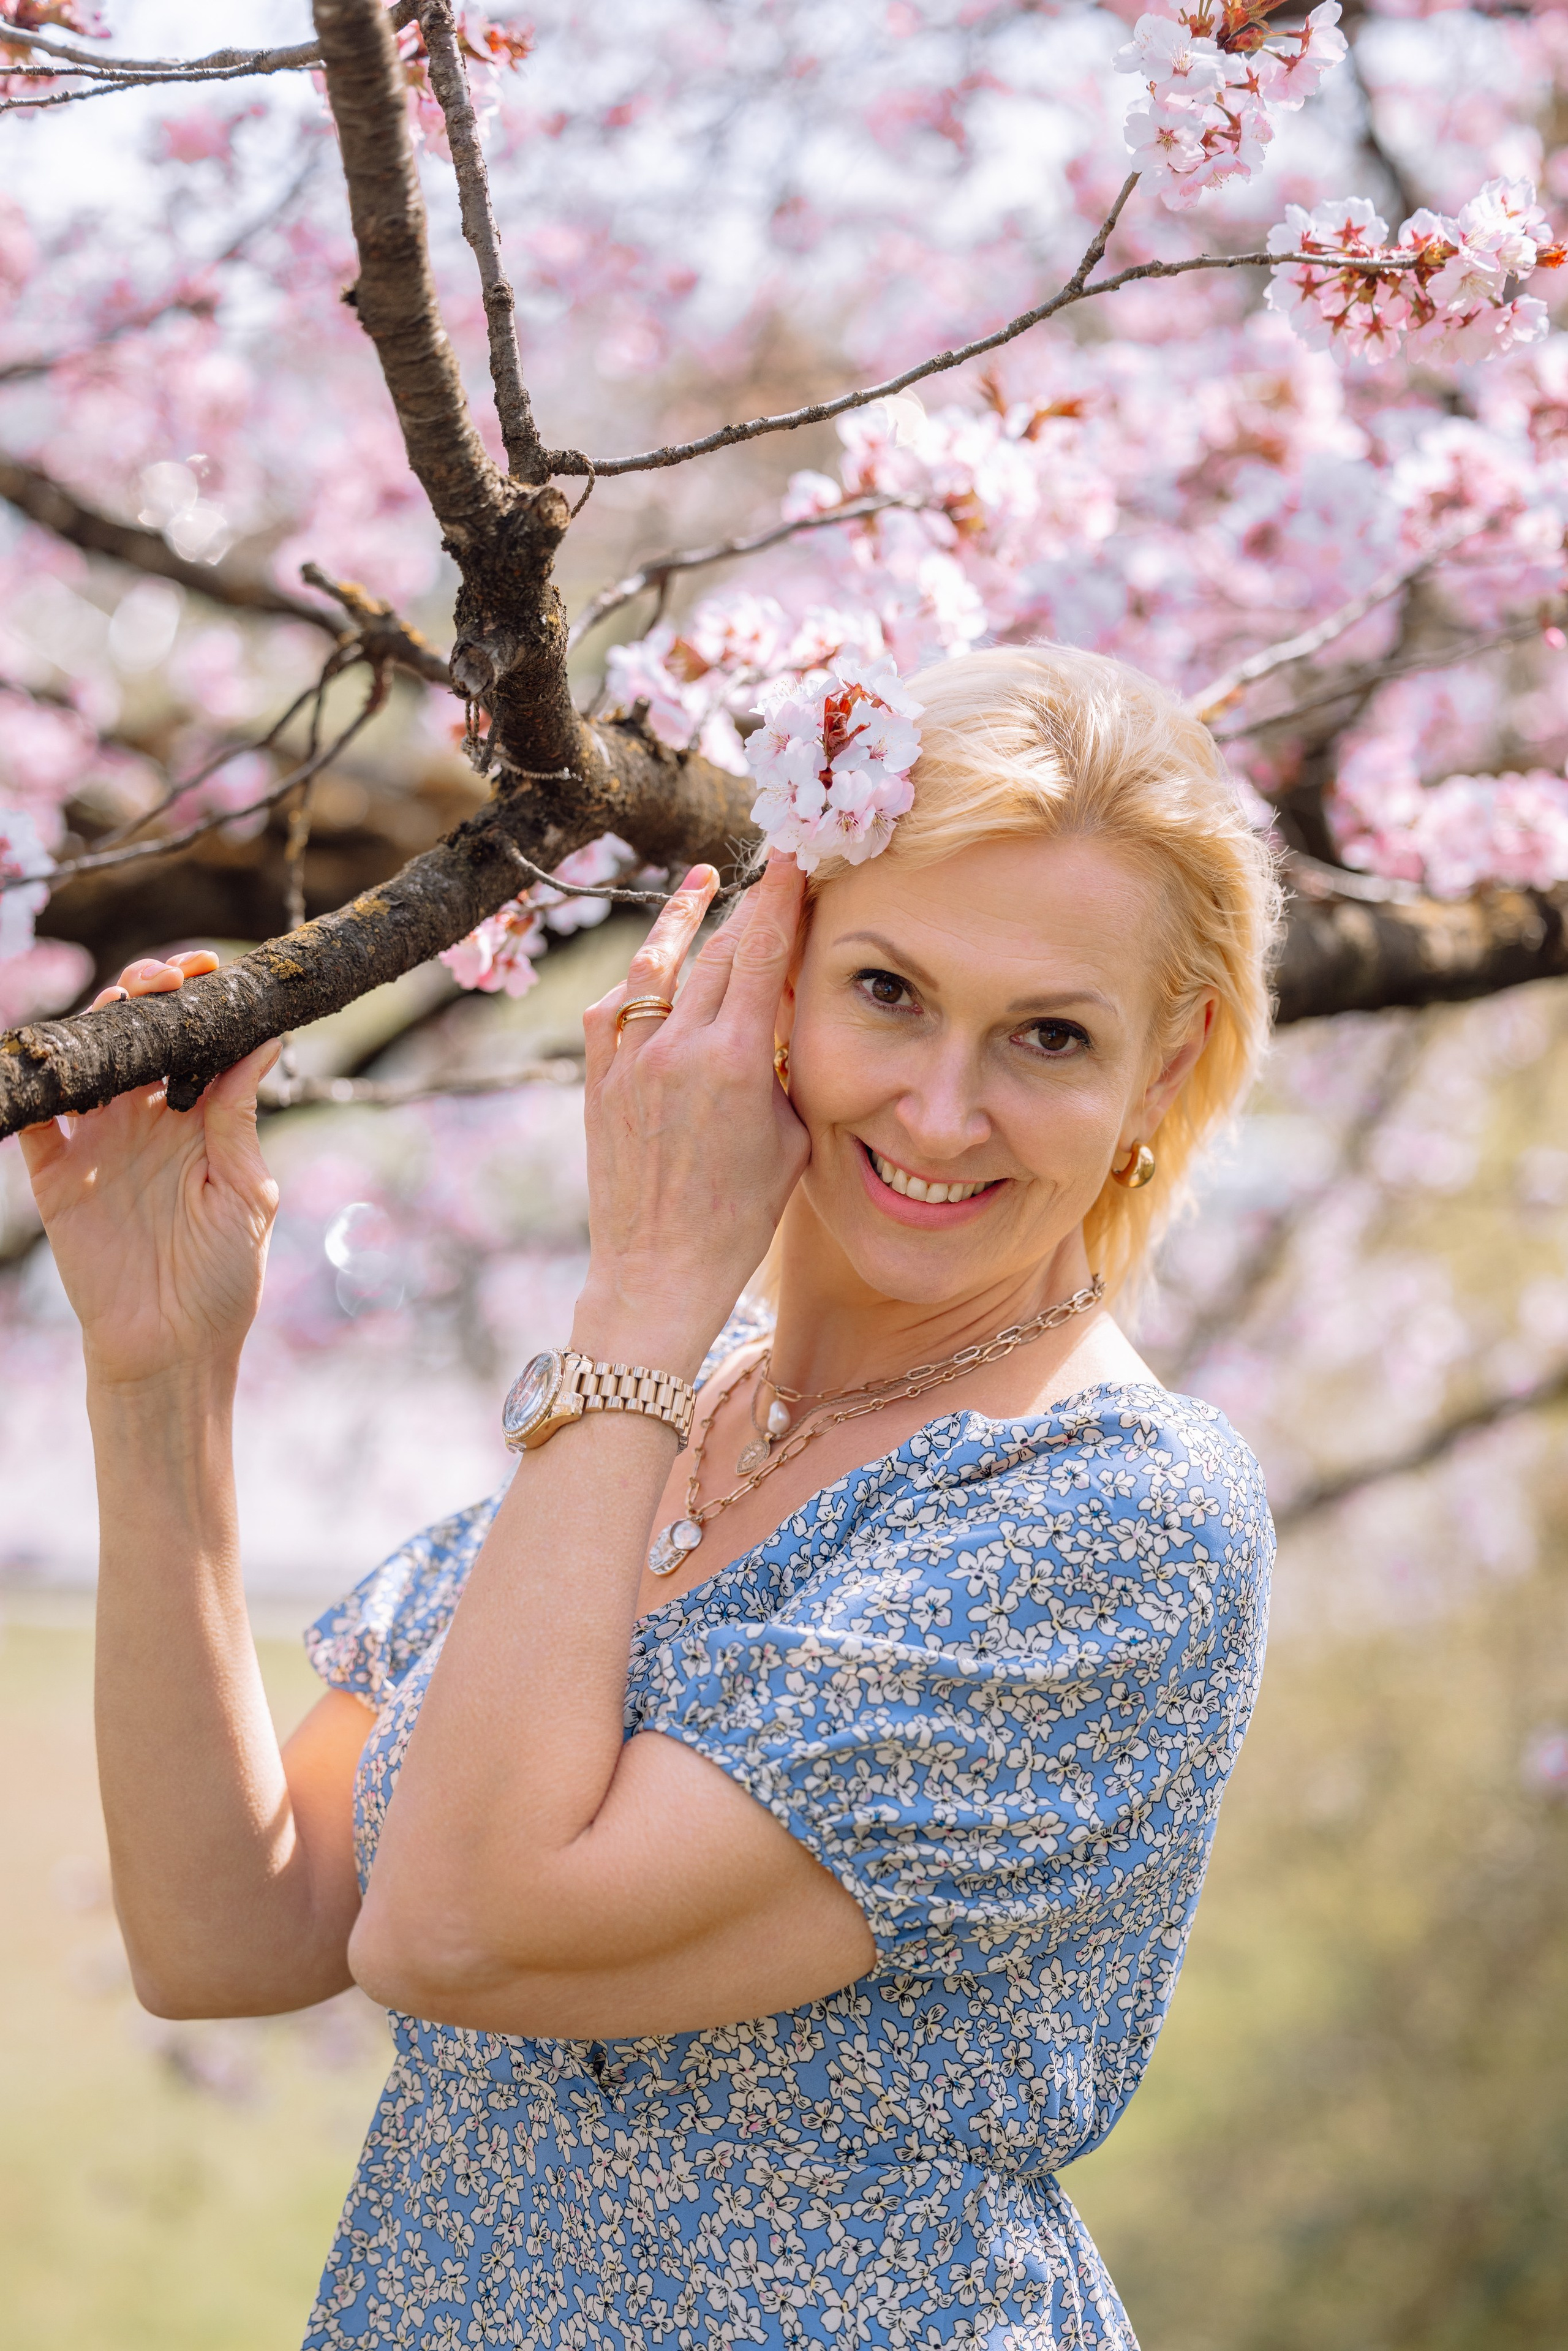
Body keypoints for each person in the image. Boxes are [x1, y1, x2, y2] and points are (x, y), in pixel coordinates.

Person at [24, 644, 1280, 2350]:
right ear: (773, 980)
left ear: (1164, 1070)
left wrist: (639, 1298)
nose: (941, 1109)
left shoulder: (1116, 1515)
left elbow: (460, 1933)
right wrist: (157, 1373)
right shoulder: (659, 1424)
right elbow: (227, 1932)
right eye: (888, 991)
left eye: (1050, 1036)